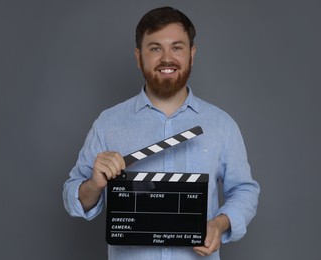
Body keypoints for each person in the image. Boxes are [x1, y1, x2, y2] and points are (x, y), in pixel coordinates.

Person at [63, 6, 260, 260]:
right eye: (155, 48)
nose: (167, 58)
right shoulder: (109, 123)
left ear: (192, 54)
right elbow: (73, 196)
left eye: (177, 47)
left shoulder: (221, 125)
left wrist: (219, 224)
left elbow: (245, 190)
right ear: (138, 57)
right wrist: (93, 184)